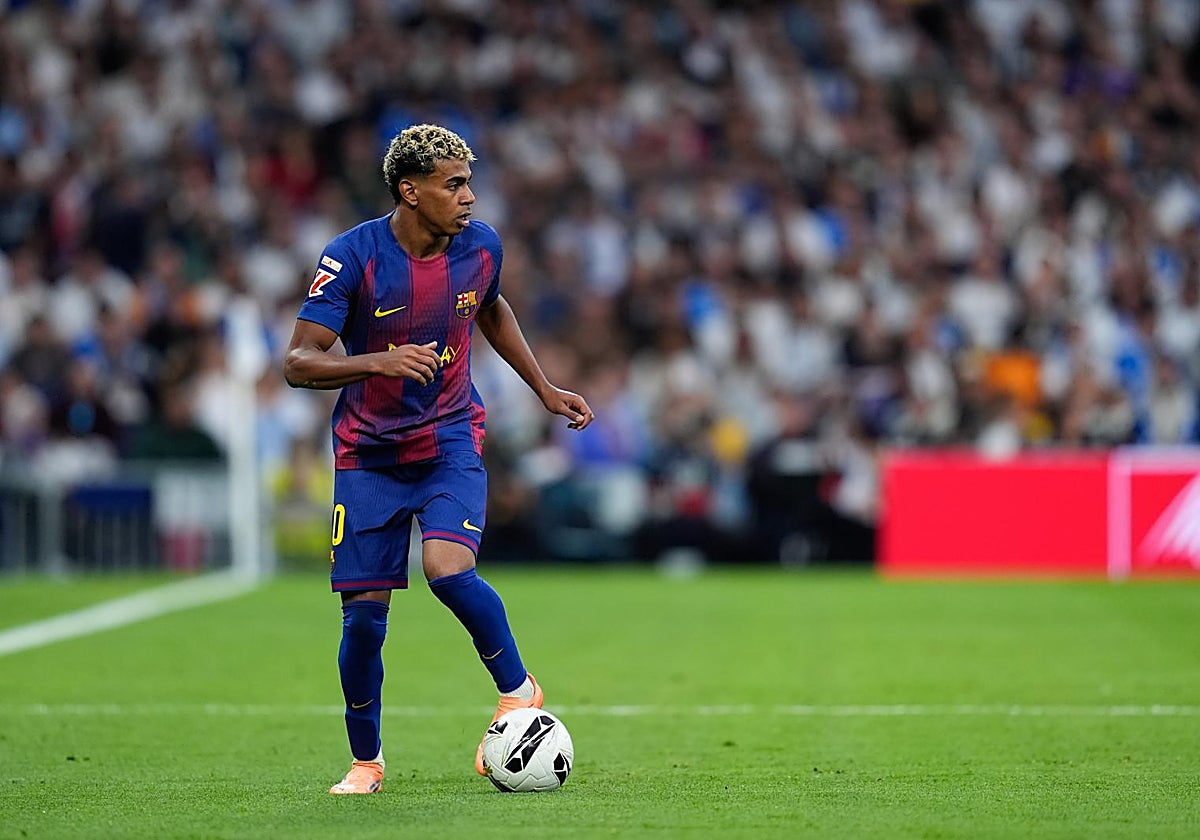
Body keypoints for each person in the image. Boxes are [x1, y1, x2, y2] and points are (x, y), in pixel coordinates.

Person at [282, 124, 594, 794]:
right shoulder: (353, 256)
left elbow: (492, 309)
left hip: (449, 437)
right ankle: (366, 763)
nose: (469, 197)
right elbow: (298, 362)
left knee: (447, 568)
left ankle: (518, 688)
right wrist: (378, 360)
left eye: (468, 182)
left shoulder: (480, 248)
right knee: (364, 621)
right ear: (410, 190)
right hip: (367, 455)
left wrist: (543, 388)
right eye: (454, 184)